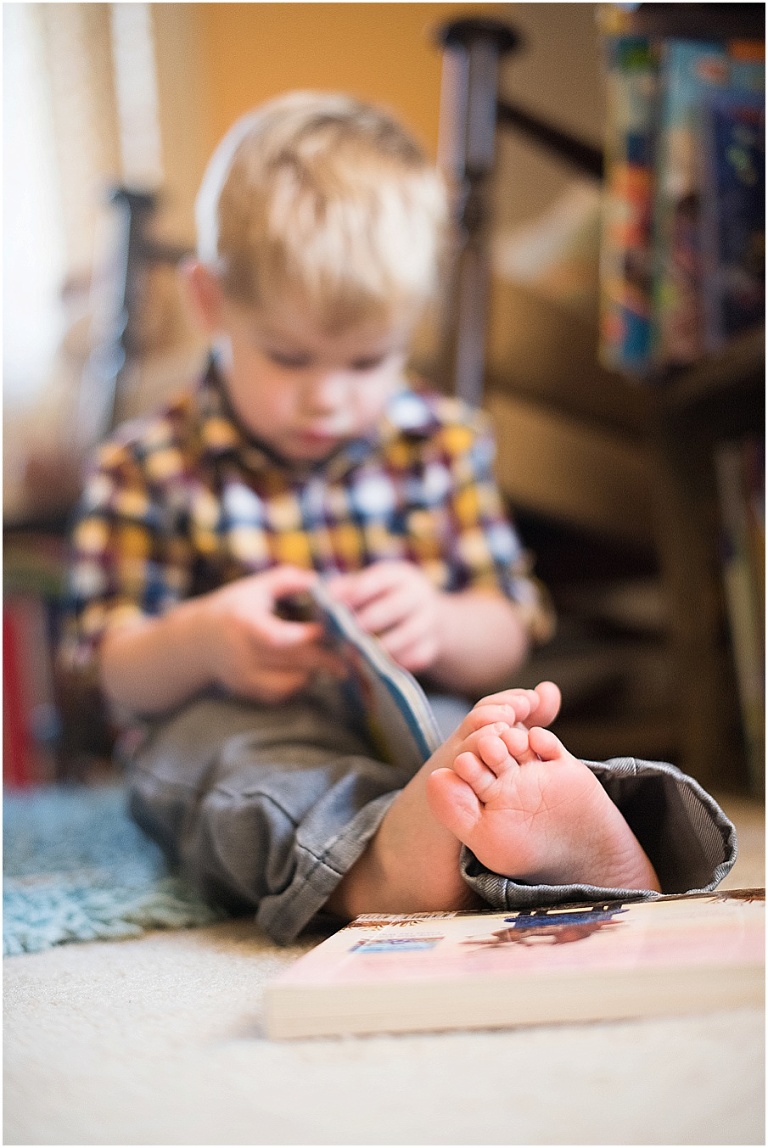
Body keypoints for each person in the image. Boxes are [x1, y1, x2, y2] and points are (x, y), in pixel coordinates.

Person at [60, 91, 736, 946]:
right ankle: (385, 863)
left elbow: (506, 626)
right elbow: (106, 665)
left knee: (488, 748)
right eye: (289, 357)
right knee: (236, 782)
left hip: (410, 714)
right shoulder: (147, 461)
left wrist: (440, 618)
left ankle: (582, 829)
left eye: (368, 360)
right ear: (210, 301)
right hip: (231, 722)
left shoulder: (439, 443)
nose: (328, 395)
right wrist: (202, 640)